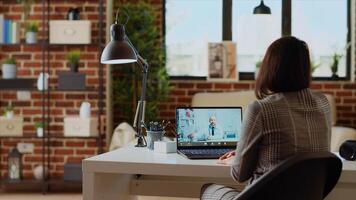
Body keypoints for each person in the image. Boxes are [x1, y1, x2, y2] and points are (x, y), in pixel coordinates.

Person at [200, 36, 331, 200]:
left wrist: (239, 158)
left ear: (270, 67)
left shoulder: (261, 109)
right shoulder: (323, 103)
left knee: (207, 189)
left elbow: (239, 175)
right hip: (309, 195)